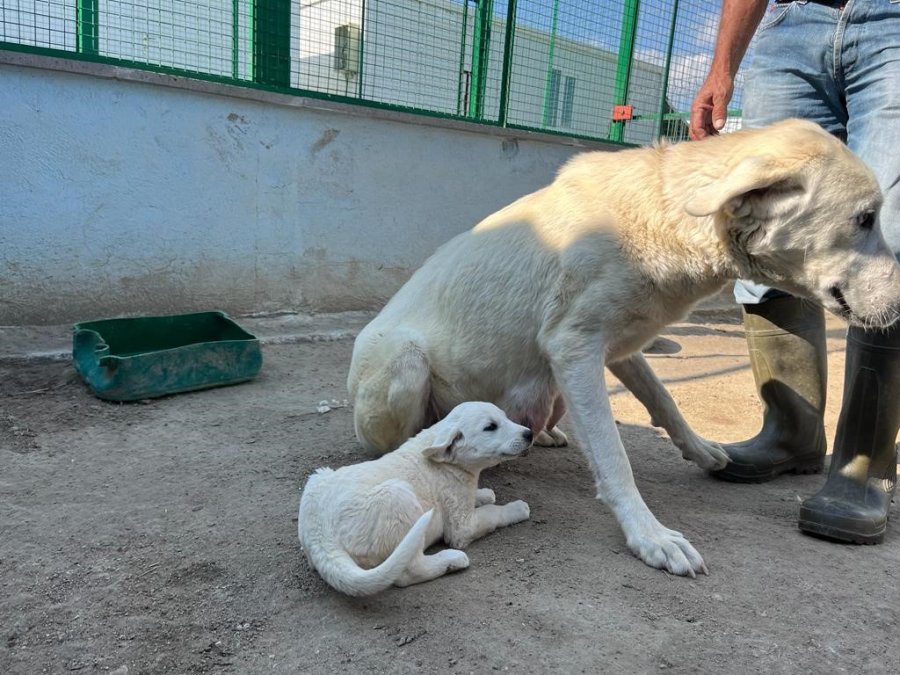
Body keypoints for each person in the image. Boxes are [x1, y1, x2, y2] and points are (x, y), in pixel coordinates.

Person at [690, 0, 900, 543]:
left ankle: (862, 466)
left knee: (890, 238)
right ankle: (792, 433)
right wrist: (722, 65)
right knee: (764, 232)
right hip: (792, 24)